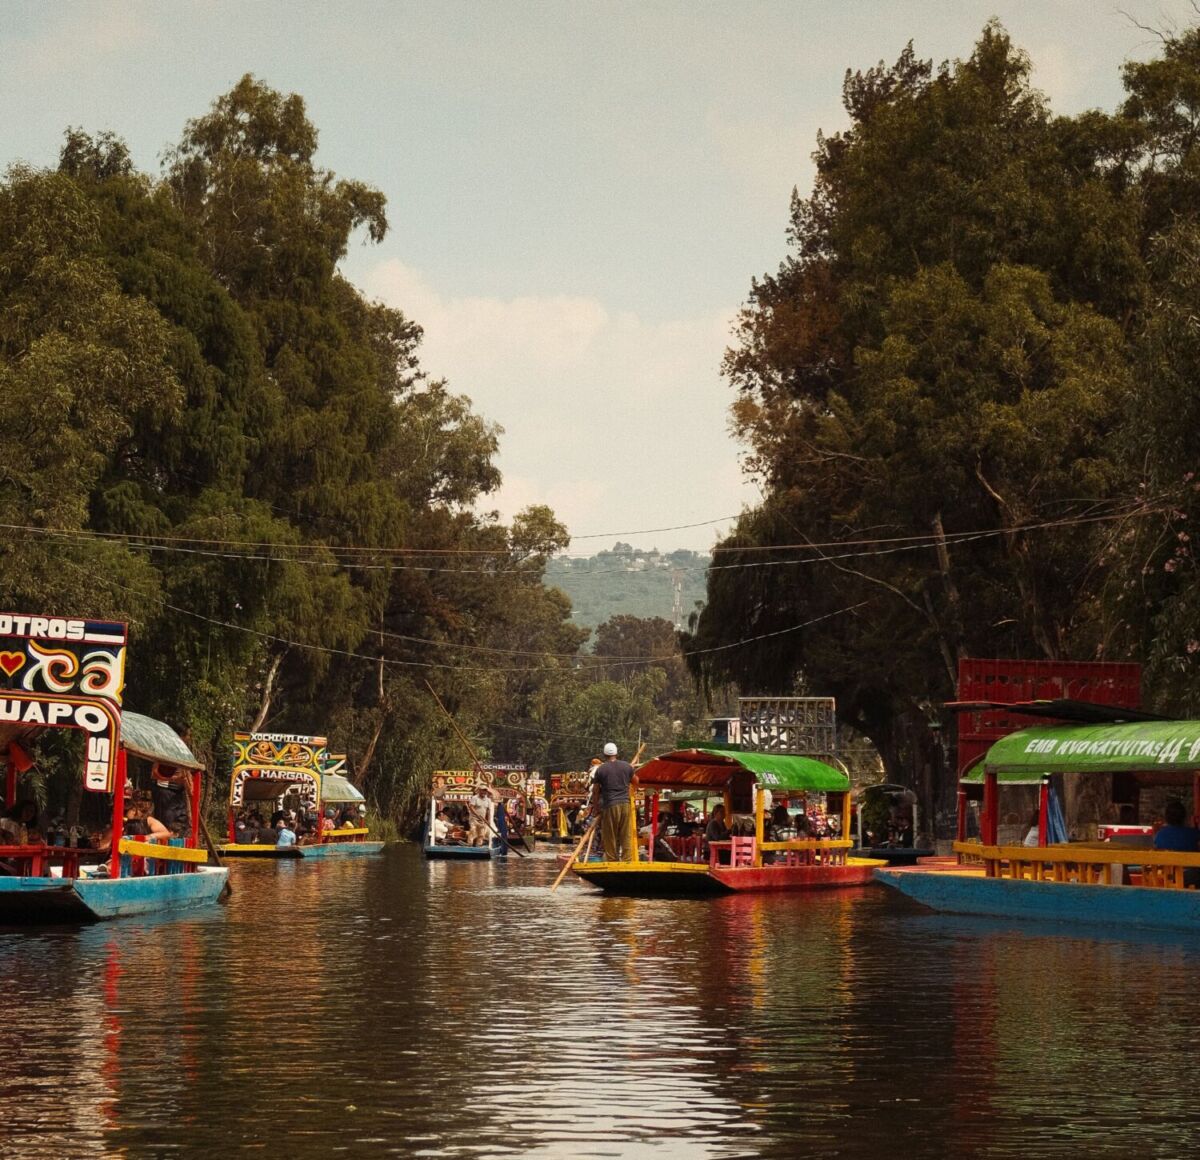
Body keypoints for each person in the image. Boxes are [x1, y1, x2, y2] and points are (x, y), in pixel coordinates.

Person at [588, 742, 636, 862]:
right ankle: (627, 861)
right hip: (625, 804)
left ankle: (612, 860)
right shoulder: (627, 766)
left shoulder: (601, 769)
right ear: (616, 753)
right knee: (626, 835)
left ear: (604, 755)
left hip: (610, 805)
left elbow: (595, 791)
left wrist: (596, 809)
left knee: (610, 836)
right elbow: (637, 781)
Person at [1154, 799, 1200, 887]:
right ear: (1184, 817)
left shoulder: (1160, 834)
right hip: (1190, 876)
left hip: (1167, 876)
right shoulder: (1193, 833)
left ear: (1166, 817)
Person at [151, 765, 189, 832]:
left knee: (178, 816)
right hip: (164, 790)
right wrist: (169, 779)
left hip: (177, 792)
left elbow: (183, 776)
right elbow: (154, 773)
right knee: (165, 817)